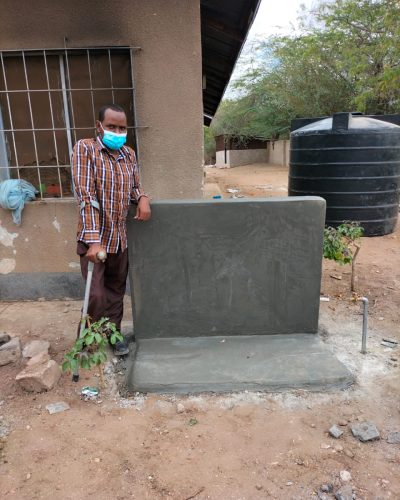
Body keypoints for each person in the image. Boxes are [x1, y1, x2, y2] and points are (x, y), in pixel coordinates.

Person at [71, 103, 151, 355]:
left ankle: (113, 335)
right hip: (95, 240)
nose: (117, 131)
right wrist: (94, 241)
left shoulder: (129, 154)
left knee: (116, 291)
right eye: (111, 127)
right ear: (99, 126)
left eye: (122, 127)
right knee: (96, 295)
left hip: (119, 239)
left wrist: (142, 198)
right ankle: (86, 340)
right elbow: (86, 196)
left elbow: (134, 186)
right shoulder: (86, 149)